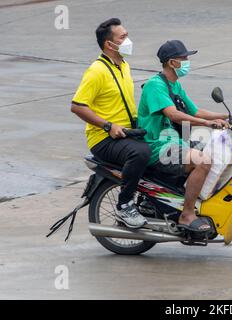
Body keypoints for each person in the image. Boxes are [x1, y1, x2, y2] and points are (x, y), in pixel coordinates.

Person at [138, 40, 229, 233]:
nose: (187, 61)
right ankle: (187, 214)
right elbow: (174, 114)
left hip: (174, 142)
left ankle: (195, 202)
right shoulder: (155, 86)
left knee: (217, 151)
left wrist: (224, 116)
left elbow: (194, 111)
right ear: (172, 63)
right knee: (203, 161)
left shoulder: (174, 85)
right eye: (184, 58)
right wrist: (208, 124)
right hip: (157, 145)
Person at [71, 18, 151, 229]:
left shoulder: (123, 65)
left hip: (126, 132)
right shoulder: (96, 71)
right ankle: (124, 205)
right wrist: (108, 126)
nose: (128, 40)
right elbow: (78, 106)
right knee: (140, 153)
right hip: (104, 138)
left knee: (165, 144)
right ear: (109, 44)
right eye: (123, 37)